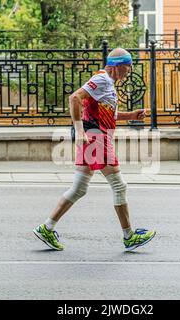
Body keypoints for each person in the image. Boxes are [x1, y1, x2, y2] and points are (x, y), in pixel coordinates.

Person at [33, 48, 156, 251]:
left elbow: (110, 115)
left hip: (94, 136)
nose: (130, 70)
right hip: (95, 138)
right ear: (118, 66)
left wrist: (133, 115)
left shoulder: (108, 84)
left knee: (79, 188)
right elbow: (74, 98)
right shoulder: (101, 79)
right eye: (128, 66)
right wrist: (79, 131)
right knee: (119, 186)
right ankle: (129, 236)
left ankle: (46, 227)